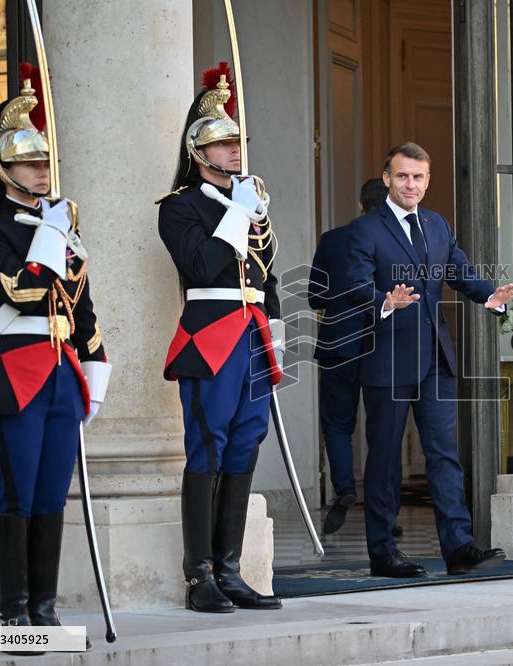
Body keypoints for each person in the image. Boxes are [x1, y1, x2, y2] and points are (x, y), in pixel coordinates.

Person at [0, 65, 112, 629]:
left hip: (61, 375)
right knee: (18, 495)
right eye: (30, 162)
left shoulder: (61, 227)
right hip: (13, 372)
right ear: (4, 168)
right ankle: (14, 612)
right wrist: (50, 232)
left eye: (46, 161)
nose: (43, 170)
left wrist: (94, 369)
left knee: (51, 495)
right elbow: (20, 291)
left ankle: (44, 608)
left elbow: (82, 309)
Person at [347, 142, 513, 577]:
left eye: (418, 177)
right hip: (387, 360)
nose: (411, 184)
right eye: (403, 176)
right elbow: (353, 286)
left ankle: (458, 546)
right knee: (385, 457)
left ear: (427, 180)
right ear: (387, 179)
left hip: (435, 362)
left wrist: (491, 296)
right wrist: (384, 302)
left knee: (444, 454)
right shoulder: (365, 230)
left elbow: (459, 271)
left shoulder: (437, 224)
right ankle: (383, 552)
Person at [157, 63, 283, 612]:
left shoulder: (249, 203)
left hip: (252, 334)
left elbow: (267, 277)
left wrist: (276, 334)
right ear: (198, 152)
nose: (235, 150)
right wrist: (238, 214)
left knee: (246, 441)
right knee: (207, 445)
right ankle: (199, 575)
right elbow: (203, 265)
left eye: (237, 143)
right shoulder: (180, 207)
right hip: (210, 335)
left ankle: (229, 569)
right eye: (224, 144)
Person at [308, 178, 397, 536]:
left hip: (338, 343)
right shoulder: (396, 241)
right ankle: (384, 512)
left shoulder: (332, 240)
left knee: (337, 423)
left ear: (361, 205)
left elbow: (315, 296)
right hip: (382, 344)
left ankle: (344, 486)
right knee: (384, 429)